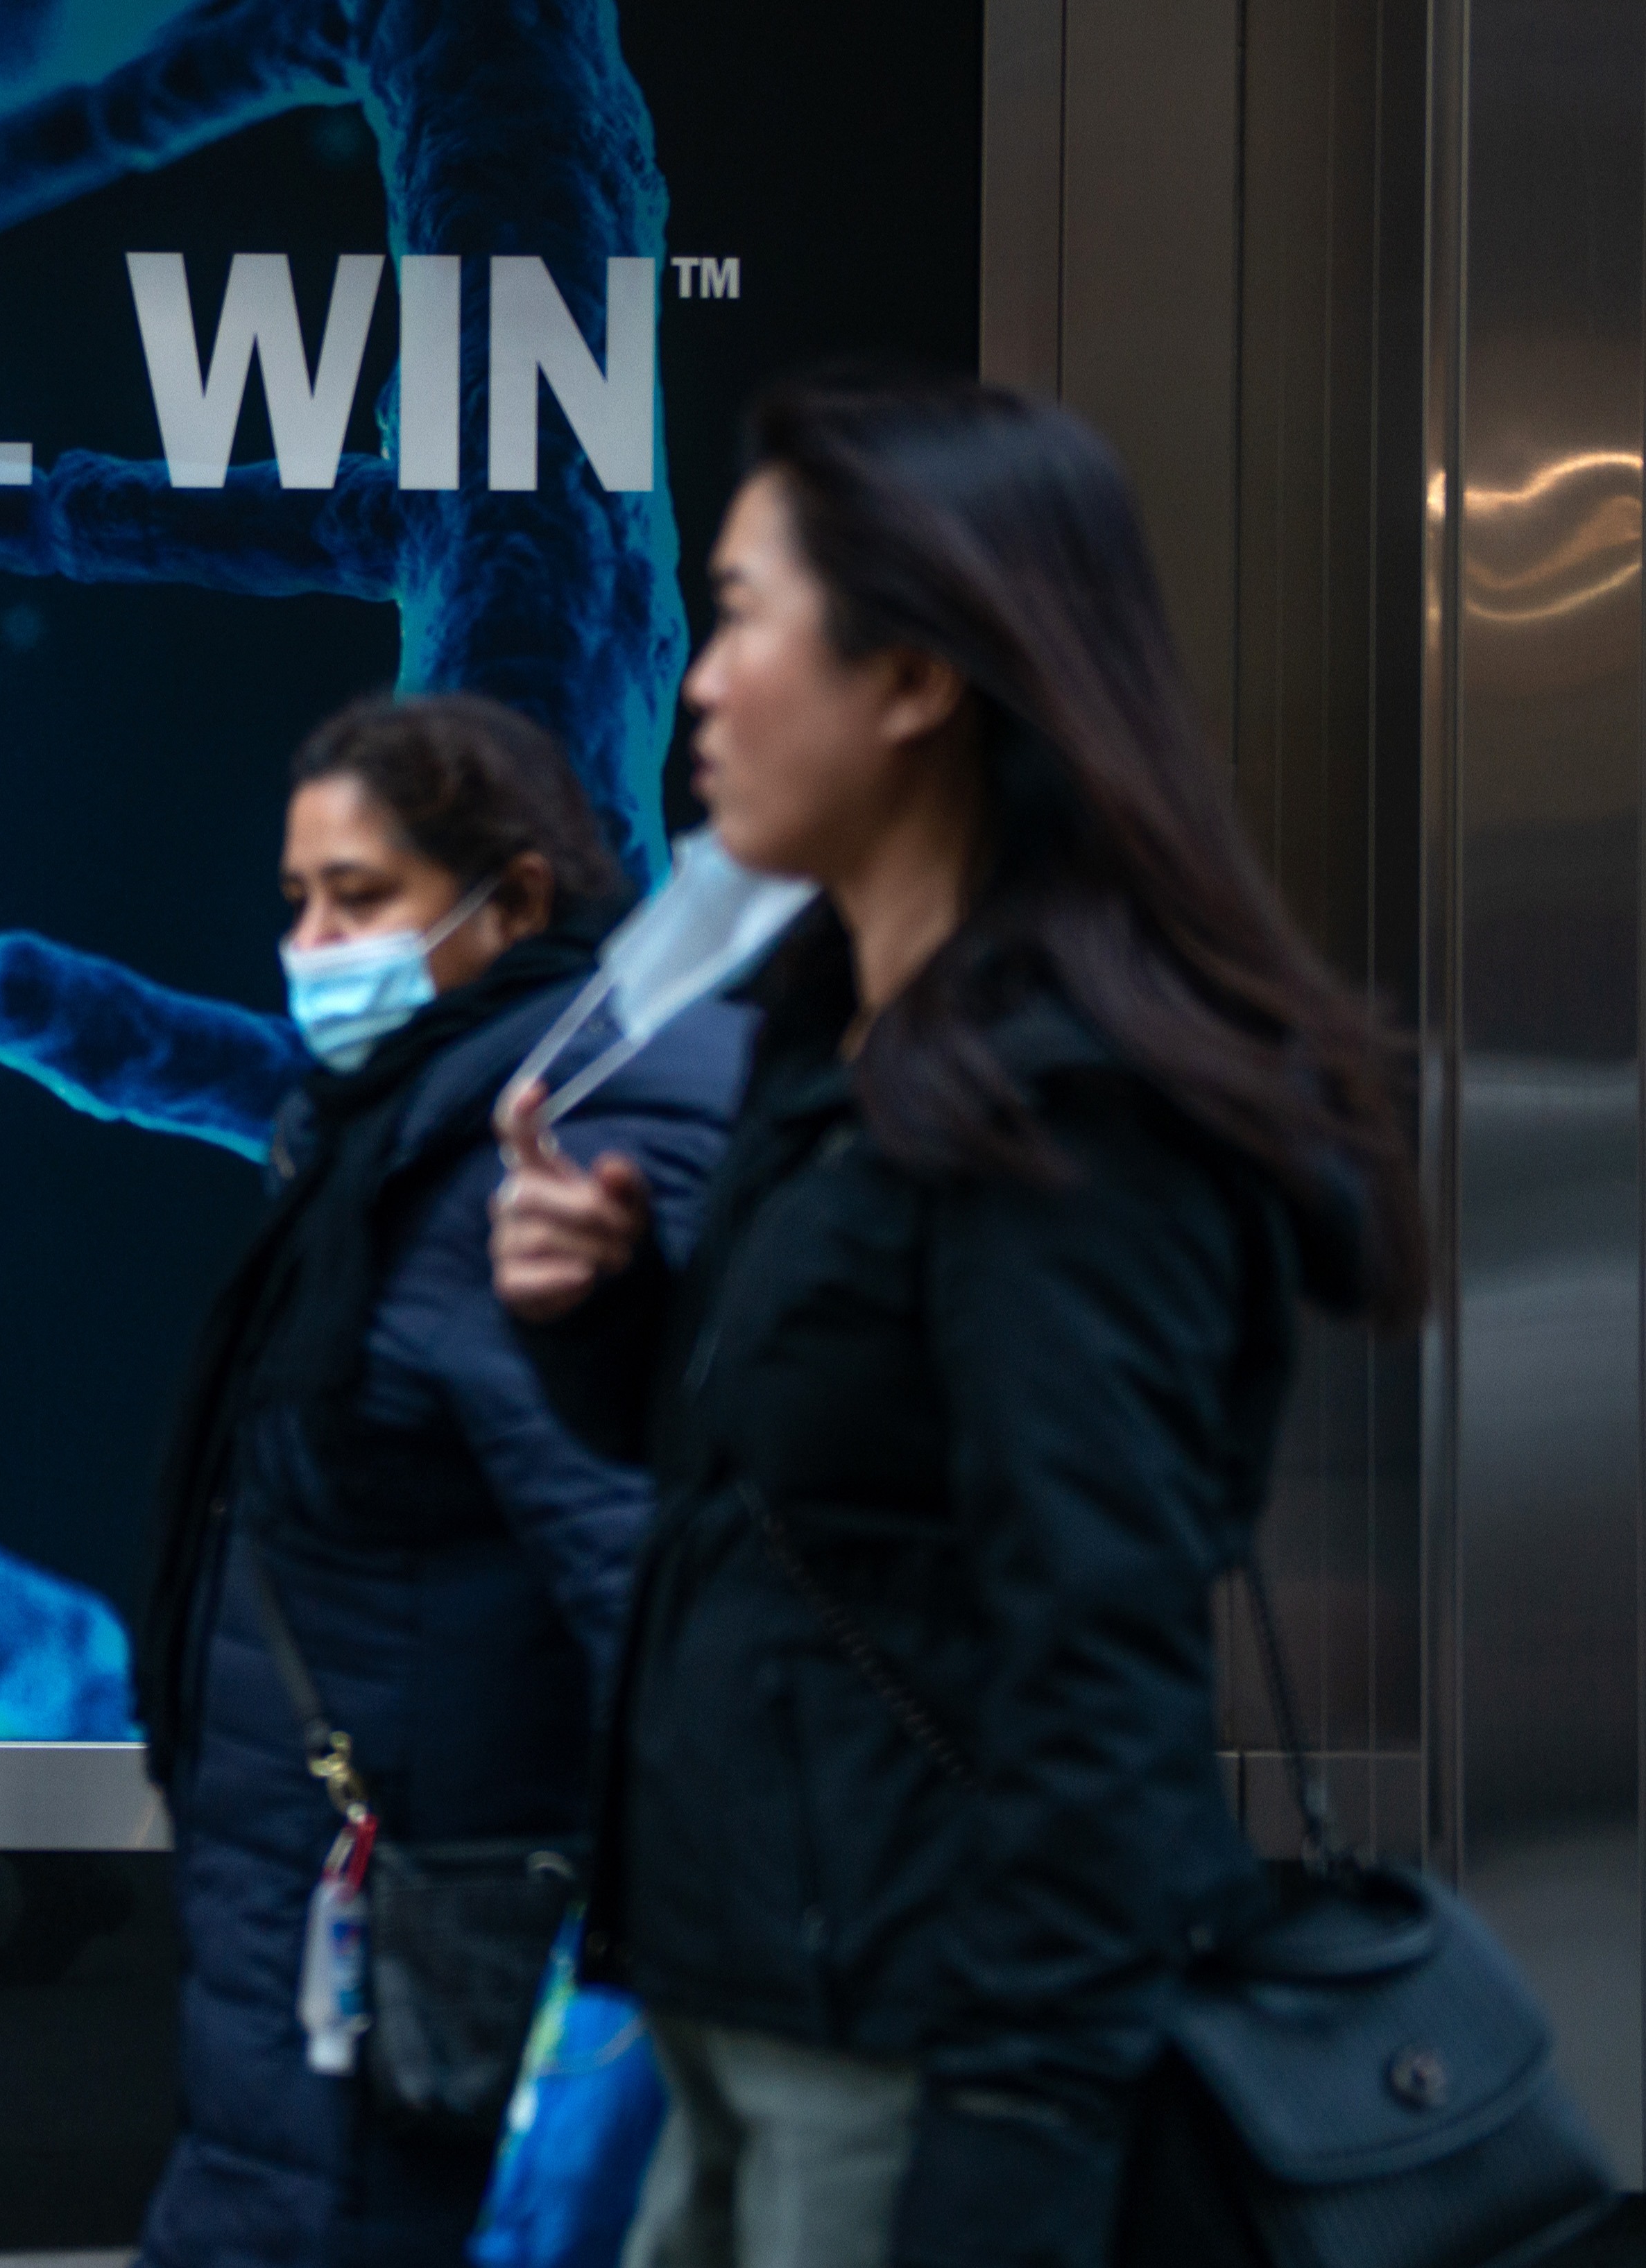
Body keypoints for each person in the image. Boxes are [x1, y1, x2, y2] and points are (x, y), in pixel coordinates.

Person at [488, 374, 1419, 2268]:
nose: (699, 676)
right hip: (748, 1993)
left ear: (911, 676)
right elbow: (788, 1497)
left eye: (744, 611)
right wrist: (606, 1310)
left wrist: (1014, 2133)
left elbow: (1093, 1658)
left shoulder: (1061, 1109)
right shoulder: (842, 1042)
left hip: (926, 2055)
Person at [138, 696, 744, 2268]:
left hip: (435, 1951)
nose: (319, 941)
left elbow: (644, 1587)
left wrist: (653, 1971)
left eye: (366, 896)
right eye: (301, 901)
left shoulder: (533, 1163)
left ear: (518, 900)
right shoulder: (384, 1142)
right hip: (330, 1939)